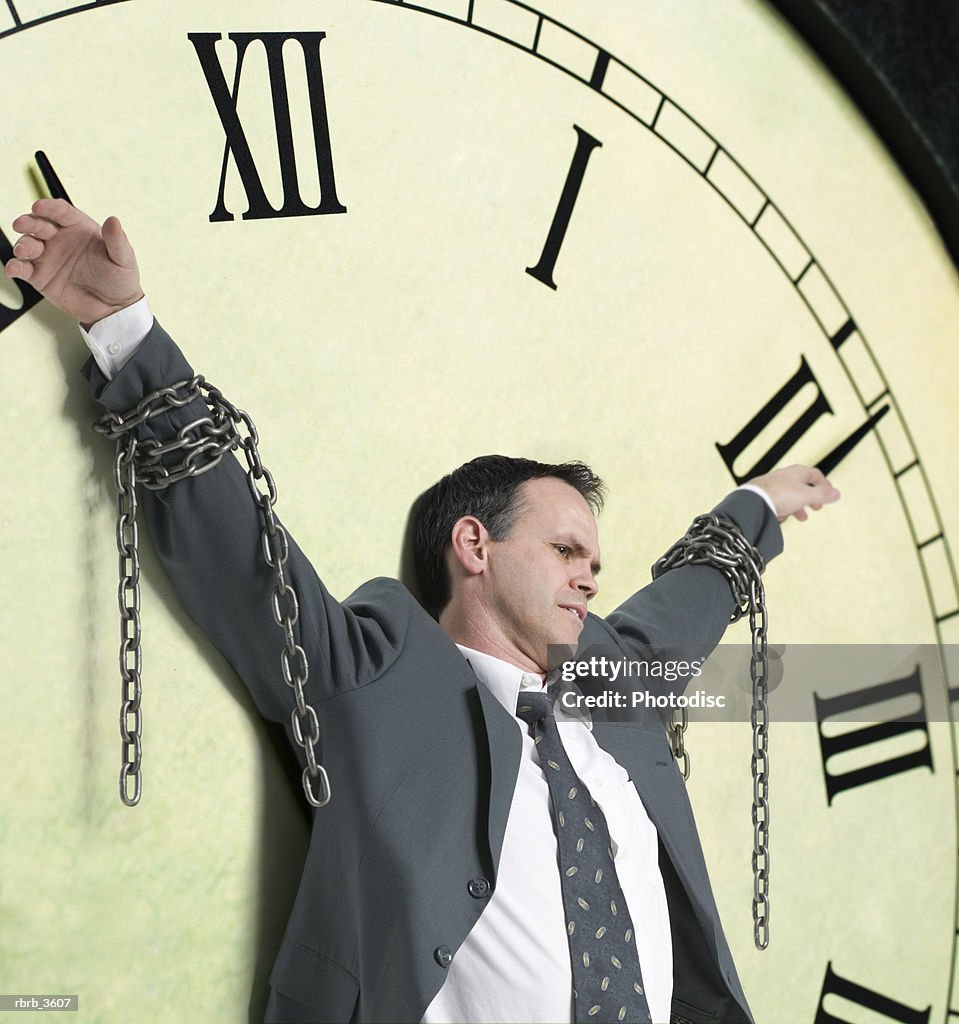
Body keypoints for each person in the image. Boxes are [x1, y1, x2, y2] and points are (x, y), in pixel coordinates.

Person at [6, 199, 840, 1024]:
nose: (589, 578)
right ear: (474, 547)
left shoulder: (611, 682)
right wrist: (124, 325)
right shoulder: (380, 677)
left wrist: (754, 506)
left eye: (593, 562)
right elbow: (243, 561)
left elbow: (683, 606)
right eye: (562, 551)